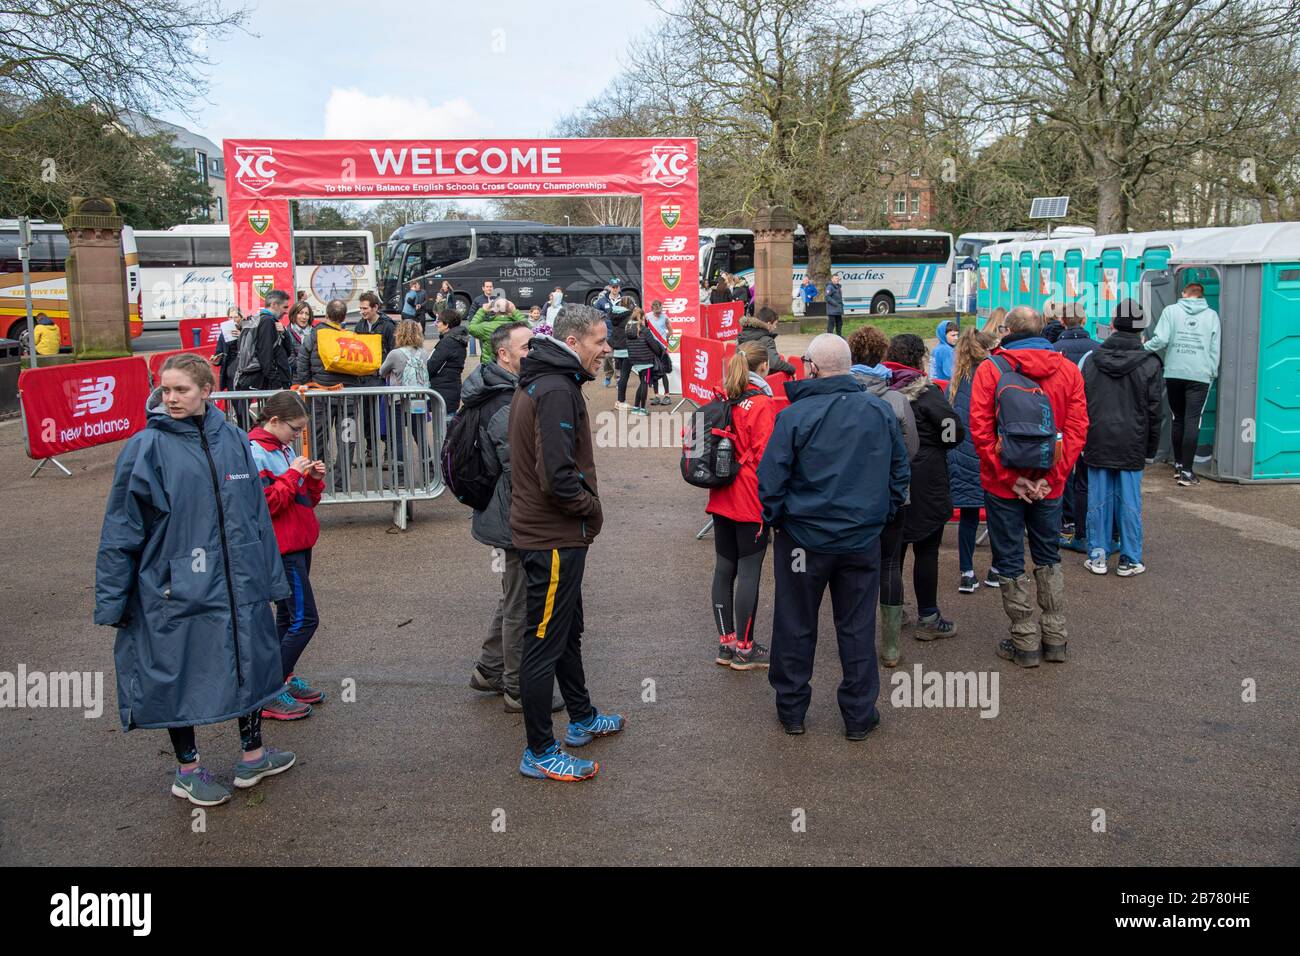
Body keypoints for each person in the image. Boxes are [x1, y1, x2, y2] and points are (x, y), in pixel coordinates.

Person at [94, 353, 295, 807]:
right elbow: (121, 528)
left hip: (240, 582)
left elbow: (256, 516)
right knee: (177, 674)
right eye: (165, 390)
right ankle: (187, 769)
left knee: (250, 662)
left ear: (207, 390)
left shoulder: (235, 441)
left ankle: (253, 755)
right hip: (176, 588)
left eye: (181, 389)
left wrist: (270, 580)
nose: (171, 398)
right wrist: (113, 601)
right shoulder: (146, 447)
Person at [758, 334, 909, 739]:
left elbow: (771, 477)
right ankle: (858, 715)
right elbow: (900, 471)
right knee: (856, 627)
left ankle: (792, 710)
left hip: (805, 539)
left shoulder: (796, 415)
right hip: (857, 539)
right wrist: (884, 514)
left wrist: (777, 519)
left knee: (795, 622)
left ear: (812, 367)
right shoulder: (877, 411)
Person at [508, 304, 624, 781]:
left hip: (555, 535)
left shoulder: (553, 380)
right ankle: (539, 750)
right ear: (572, 342)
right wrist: (591, 509)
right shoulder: (556, 387)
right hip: (552, 537)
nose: (607, 348)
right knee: (543, 642)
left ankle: (580, 716)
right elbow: (557, 478)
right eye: (599, 340)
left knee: (565, 633)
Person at [969, 306, 1088, 668]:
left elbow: (980, 431)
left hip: (1004, 484)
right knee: (1048, 556)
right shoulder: (1067, 369)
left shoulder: (991, 369)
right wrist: (1051, 479)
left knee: (1008, 558)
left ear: (1008, 330)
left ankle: (1025, 642)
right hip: (1049, 487)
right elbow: (1079, 430)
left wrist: (1012, 479)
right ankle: (1055, 638)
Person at [465, 321, 565, 715]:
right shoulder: (505, 401)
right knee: (523, 602)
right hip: (514, 514)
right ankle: (517, 687)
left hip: (504, 510)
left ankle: (489, 670)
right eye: (527, 347)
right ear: (504, 355)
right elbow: (522, 468)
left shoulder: (498, 389)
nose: (534, 352)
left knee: (514, 593)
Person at [248, 391, 327, 720]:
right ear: (274, 421)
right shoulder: (254, 451)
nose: (298, 436)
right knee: (305, 619)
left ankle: (282, 676)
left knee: (287, 616)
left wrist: (313, 482)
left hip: (298, 542)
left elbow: (300, 499)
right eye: (295, 429)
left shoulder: (281, 448)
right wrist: (294, 475)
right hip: (283, 549)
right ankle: (268, 690)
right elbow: (265, 505)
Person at [884, 334, 964, 639]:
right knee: (927, 551)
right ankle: (928, 617)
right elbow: (952, 432)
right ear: (919, 359)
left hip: (892, 478)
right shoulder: (928, 394)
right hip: (927, 481)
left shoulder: (882, 390)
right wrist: (937, 444)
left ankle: (893, 611)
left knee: (892, 553)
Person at [706, 341, 776, 669]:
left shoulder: (722, 395)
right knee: (749, 571)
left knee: (724, 569)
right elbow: (766, 457)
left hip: (721, 494)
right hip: (749, 497)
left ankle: (726, 645)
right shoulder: (761, 402)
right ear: (762, 369)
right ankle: (746, 649)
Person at [1081, 299, 1163, 577]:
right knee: (1130, 502)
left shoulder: (1092, 360)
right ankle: (1129, 557)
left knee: (1098, 499)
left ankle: (1098, 553)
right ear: (1142, 327)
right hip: (1133, 439)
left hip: (1098, 436)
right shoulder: (1150, 363)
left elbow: (1083, 402)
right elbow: (1155, 411)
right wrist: (1150, 449)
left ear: (1113, 325)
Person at [1144, 281, 1221, 487]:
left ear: (1184, 293)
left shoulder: (1171, 311)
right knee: (1192, 420)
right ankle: (1188, 471)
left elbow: (1161, 340)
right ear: (1201, 295)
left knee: (1178, 418)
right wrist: (1212, 372)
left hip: (1174, 372)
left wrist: (1142, 348)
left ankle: (1178, 465)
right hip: (1199, 375)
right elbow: (1215, 349)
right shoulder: (1211, 315)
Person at [294, 299, 369, 491]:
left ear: (326, 315)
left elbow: (302, 363)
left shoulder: (314, 335)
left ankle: (315, 482)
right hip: (347, 398)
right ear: (344, 317)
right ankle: (341, 483)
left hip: (319, 396)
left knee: (317, 440)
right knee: (346, 441)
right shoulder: (351, 337)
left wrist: (306, 386)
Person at [946, 328, 1000, 592]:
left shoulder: (955, 381)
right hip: (987, 452)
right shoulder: (992, 374)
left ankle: (967, 572)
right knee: (997, 514)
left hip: (960, 455)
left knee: (967, 516)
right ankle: (996, 569)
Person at [1053, 302, 1100, 543]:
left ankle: (1064, 520)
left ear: (1062, 321)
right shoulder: (1098, 349)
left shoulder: (1052, 350)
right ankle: (1085, 527)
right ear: (1085, 321)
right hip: (1088, 418)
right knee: (1085, 475)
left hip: (1058, 419)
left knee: (1060, 471)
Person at [379, 319, 433, 474]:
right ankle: (429, 472)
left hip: (398, 400)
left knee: (398, 438)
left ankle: (401, 476)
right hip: (418, 399)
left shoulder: (395, 354)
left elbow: (382, 371)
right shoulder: (423, 352)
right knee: (421, 436)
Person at [235, 288, 292, 391]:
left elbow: (286, 351)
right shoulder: (267, 321)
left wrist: (284, 333)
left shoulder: (257, 319)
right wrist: (276, 382)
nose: (286, 311)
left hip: (255, 376)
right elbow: (265, 353)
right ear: (274, 304)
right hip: (268, 381)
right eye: (285, 307)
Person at [623, 308, 668, 414]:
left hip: (635, 360)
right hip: (646, 360)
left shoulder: (628, 329)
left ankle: (635, 407)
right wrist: (659, 354)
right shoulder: (644, 330)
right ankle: (642, 409)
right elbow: (654, 346)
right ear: (642, 317)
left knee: (642, 382)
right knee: (644, 383)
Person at [426, 309, 468, 417]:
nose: (436, 324)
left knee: (445, 429)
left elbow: (432, 367)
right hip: (449, 389)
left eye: (439, 322)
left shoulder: (448, 343)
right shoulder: (456, 340)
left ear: (447, 325)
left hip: (444, 391)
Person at [738, 306, 797, 378]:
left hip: (741, 376)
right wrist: (792, 369)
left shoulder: (744, 334)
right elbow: (774, 363)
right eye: (775, 324)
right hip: (758, 379)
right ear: (769, 324)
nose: (775, 327)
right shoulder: (766, 340)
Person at [468, 298, 529, 366]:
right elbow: (528, 328)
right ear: (509, 309)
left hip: (490, 365)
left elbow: (471, 328)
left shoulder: (485, 327)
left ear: (494, 310)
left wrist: (482, 310)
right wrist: (515, 311)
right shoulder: (517, 327)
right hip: (511, 364)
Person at [644, 299, 673, 404]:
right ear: (652, 309)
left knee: (663, 371)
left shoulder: (664, 317)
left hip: (662, 348)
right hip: (652, 347)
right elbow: (644, 330)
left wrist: (666, 339)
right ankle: (656, 396)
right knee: (654, 371)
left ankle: (667, 396)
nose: (659, 313)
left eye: (660, 310)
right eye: (657, 311)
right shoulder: (647, 317)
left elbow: (671, 331)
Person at [611, 296, 637, 408]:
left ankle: (619, 401)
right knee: (624, 377)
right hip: (627, 350)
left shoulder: (615, 315)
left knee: (622, 376)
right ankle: (620, 401)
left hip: (617, 350)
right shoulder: (629, 316)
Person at [214, 306, 245, 392]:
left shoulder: (247, 331)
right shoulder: (223, 333)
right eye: (230, 317)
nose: (233, 320)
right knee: (234, 397)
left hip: (244, 368)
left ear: (241, 318)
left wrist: (242, 336)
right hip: (230, 368)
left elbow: (253, 349)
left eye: (236, 317)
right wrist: (216, 359)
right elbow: (219, 351)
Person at [284, 301, 313, 365]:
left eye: (307, 314)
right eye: (300, 313)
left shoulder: (315, 332)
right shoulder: (286, 333)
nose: (304, 317)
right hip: (296, 374)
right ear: (294, 315)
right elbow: (290, 359)